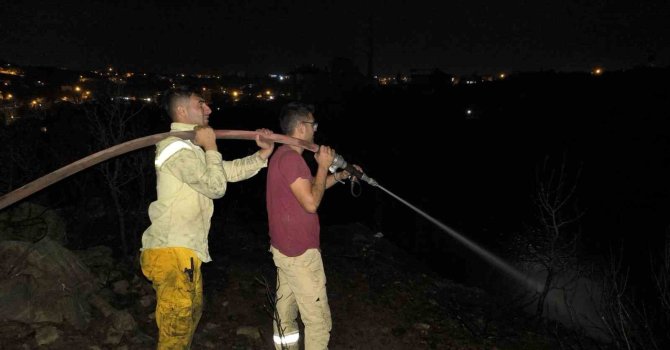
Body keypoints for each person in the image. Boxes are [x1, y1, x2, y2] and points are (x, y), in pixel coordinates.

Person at [140, 86, 274, 349]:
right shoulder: (173, 147)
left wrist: (262, 155)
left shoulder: (191, 149)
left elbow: (226, 172)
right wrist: (211, 146)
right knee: (176, 330)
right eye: (201, 104)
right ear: (181, 111)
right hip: (170, 251)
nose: (209, 109)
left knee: (189, 320)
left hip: (185, 253)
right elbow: (215, 187)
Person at [266, 102, 358, 349]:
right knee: (317, 322)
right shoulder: (292, 160)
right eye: (312, 124)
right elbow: (311, 203)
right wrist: (322, 165)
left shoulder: (283, 156)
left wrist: (338, 176)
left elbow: (308, 190)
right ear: (300, 127)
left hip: (284, 250)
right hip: (300, 253)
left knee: (285, 312)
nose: (315, 130)